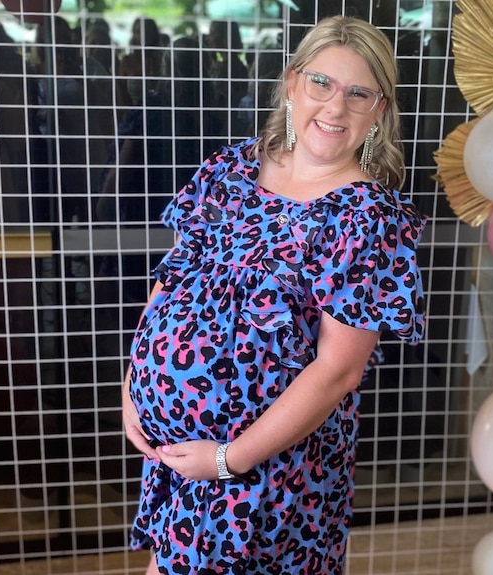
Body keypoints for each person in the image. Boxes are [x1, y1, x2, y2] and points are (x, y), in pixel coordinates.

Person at [122, 16, 426, 575]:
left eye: (359, 94)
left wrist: (227, 459)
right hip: (185, 457)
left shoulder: (366, 217)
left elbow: (339, 371)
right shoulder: (232, 169)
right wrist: (133, 388)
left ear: (378, 111)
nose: (335, 108)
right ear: (292, 84)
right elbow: (173, 275)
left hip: (264, 467)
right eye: (322, 84)